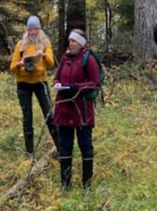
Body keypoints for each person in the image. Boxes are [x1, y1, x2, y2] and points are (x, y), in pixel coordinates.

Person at [53, 29, 100, 191]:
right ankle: (65, 183)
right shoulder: (65, 58)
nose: (70, 43)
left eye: (74, 41)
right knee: (65, 146)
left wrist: (76, 87)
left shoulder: (89, 59)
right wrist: (58, 84)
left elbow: (95, 82)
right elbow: (57, 77)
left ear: (81, 43)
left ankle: (86, 184)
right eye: (70, 40)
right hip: (64, 108)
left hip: (82, 111)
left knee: (85, 145)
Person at [9, 15, 59, 156]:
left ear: (39, 29)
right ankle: (29, 152)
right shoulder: (21, 45)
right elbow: (12, 68)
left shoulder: (45, 43)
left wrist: (42, 55)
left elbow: (51, 64)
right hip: (23, 83)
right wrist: (19, 65)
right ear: (27, 30)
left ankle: (61, 148)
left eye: (35, 29)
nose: (32, 32)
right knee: (27, 117)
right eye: (30, 29)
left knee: (49, 115)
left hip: (40, 82)